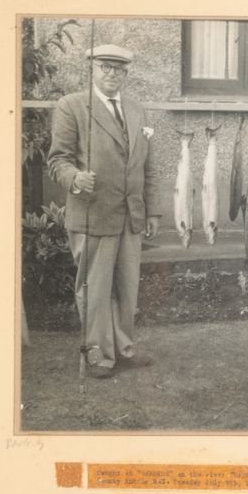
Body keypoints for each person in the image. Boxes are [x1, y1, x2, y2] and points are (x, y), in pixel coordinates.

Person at [47, 44, 160, 379]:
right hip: (92, 213)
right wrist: (74, 177)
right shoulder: (72, 106)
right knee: (94, 289)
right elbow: (57, 160)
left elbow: (148, 166)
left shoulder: (137, 109)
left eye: (119, 69)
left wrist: (153, 211)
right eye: (105, 67)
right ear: (92, 70)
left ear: (126, 73)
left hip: (131, 216)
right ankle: (98, 353)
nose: (112, 74)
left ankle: (124, 348)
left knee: (127, 287)